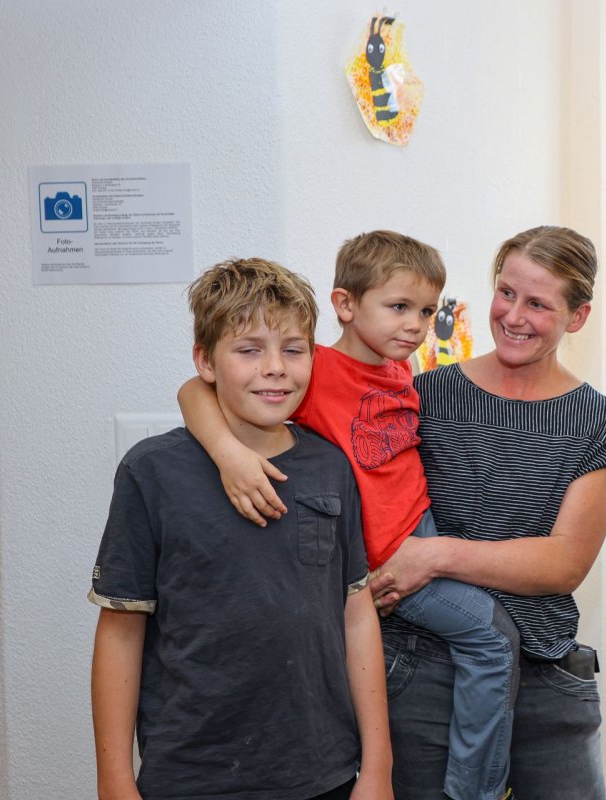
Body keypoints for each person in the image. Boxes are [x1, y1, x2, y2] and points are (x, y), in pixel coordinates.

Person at [178, 232, 521, 800]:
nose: (415, 325)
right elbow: (195, 389)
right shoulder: (314, 369)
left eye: (426, 311)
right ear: (344, 305)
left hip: (424, 530)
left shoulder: (400, 370)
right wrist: (227, 453)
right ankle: (477, 791)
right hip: (390, 556)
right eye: (399, 307)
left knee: (498, 612)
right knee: (494, 639)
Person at [89, 258, 391, 800]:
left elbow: (356, 613)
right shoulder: (151, 472)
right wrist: (113, 780)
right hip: (192, 771)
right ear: (205, 361)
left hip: (323, 769)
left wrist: (378, 767)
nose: (275, 368)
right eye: (249, 350)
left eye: (293, 350)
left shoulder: (331, 466)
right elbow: (120, 630)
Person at [364, 225, 606, 800]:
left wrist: (435, 555)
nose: (513, 316)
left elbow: (563, 564)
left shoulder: (598, 423)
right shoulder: (425, 395)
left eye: (538, 303)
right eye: (506, 293)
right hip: (421, 667)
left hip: (542, 674)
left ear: (577, 317)